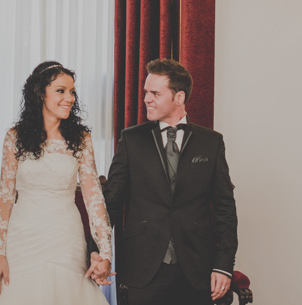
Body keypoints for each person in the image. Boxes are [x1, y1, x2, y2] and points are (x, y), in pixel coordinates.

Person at [0, 61, 113, 304]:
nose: (69, 98)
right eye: (61, 90)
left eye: (72, 92)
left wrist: (106, 253)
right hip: (23, 236)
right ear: (40, 93)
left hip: (66, 236)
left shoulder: (81, 139)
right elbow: (4, 197)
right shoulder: (14, 137)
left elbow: (94, 199)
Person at [102, 58, 238, 305]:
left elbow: (225, 208)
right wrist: (98, 251)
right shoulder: (131, 140)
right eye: (146, 92)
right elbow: (110, 202)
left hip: (197, 268)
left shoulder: (211, 142)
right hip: (143, 267)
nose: (146, 99)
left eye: (155, 93)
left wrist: (224, 265)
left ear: (179, 97)